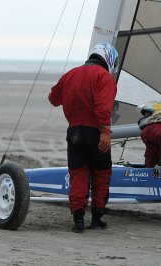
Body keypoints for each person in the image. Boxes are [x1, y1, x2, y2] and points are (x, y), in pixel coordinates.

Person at [48, 42, 119, 233]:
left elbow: (53, 99)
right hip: (96, 131)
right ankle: (97, 219)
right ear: (109, 58)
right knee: (101, 174)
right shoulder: (104, 77)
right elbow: (103, 108)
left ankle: (78, 220)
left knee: (78, 174)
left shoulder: (70, 74)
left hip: (75, 133)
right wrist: (105, 132)